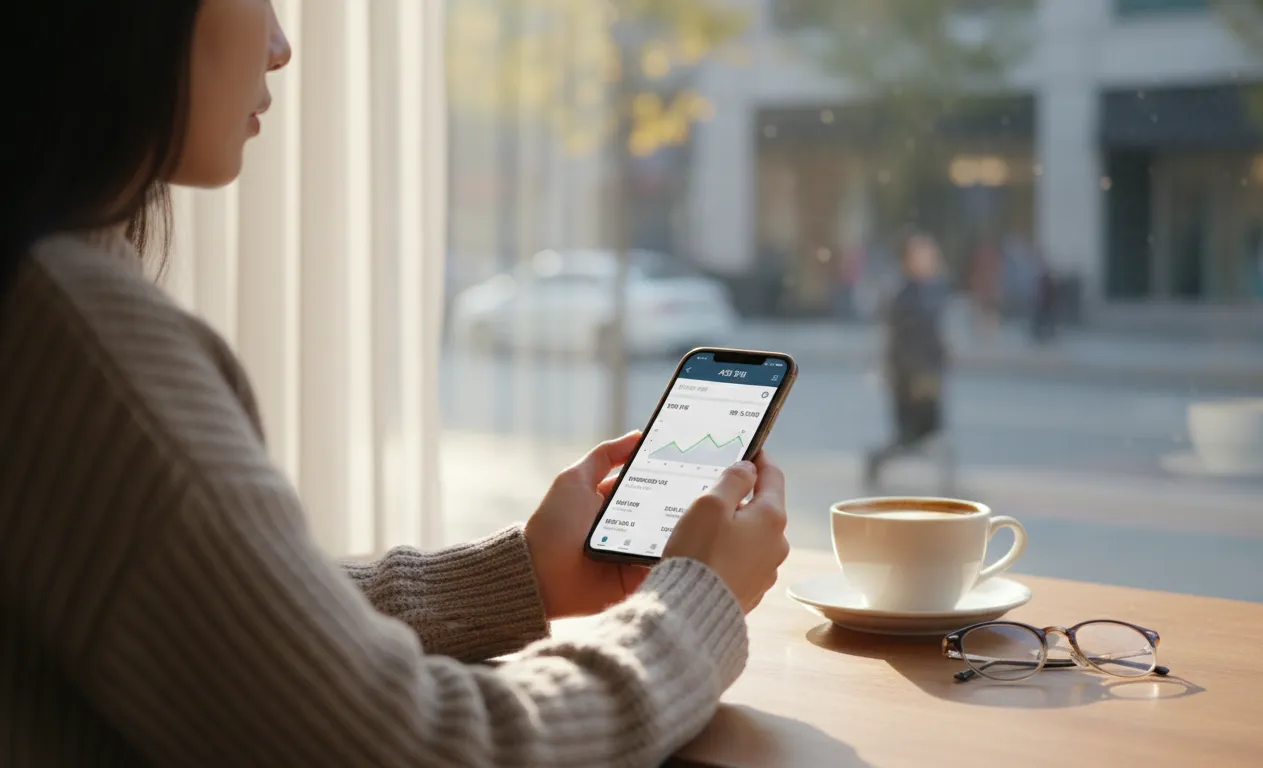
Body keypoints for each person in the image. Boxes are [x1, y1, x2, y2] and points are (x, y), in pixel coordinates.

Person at [1, 3, 789, 766]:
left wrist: (516, 576)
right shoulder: (73, 338)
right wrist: (693, 607)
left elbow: (219, 634)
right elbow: (427, 746)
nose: (279, 44)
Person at [865, 233, 953, 491]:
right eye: (923, 253)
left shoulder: (932, 290)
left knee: (926, 433)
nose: (930, 258)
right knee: (911, 436)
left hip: (928, 372)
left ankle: (948, 482)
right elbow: (899, 340)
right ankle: (877, 462)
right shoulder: (903, 294)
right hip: (912, 376)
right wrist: (907, 373)